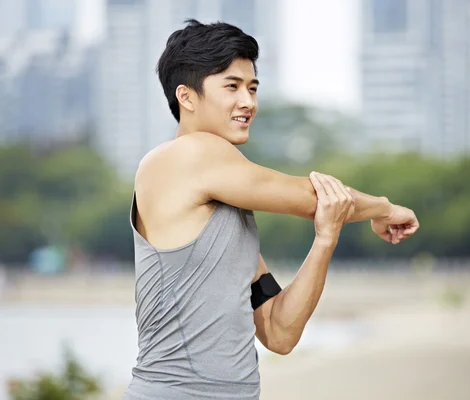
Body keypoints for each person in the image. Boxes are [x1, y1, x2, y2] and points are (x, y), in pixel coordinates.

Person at [122, 19, 419, 400]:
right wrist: (383, 208)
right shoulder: (187, 155)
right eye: (232, 86)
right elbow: (310, 198)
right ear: (187, 96)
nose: (248, 102)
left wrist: (325, 239)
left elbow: (280, 333)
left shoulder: (227, 216)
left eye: (253, 88)